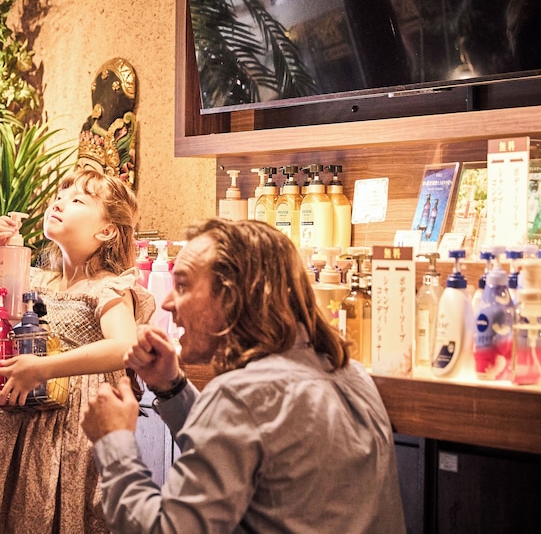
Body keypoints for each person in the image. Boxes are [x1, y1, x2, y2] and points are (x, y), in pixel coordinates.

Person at [81, 218, 405, 533]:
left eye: (182, 285)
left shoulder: (242, 395)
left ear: (232, 296)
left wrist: (115, 442)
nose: (166, 303)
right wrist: (171, 387)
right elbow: (236, 446)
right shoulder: (351, 373)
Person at [0, 168, 155, 533]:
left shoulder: (108, 288)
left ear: (107, 231)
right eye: (59, 195)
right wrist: (0, 253)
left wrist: (44, 368)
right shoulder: (32, 278)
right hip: (11, 424)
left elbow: (123, 346)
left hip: (70, 431)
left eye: (77, 200)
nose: (59, 202)